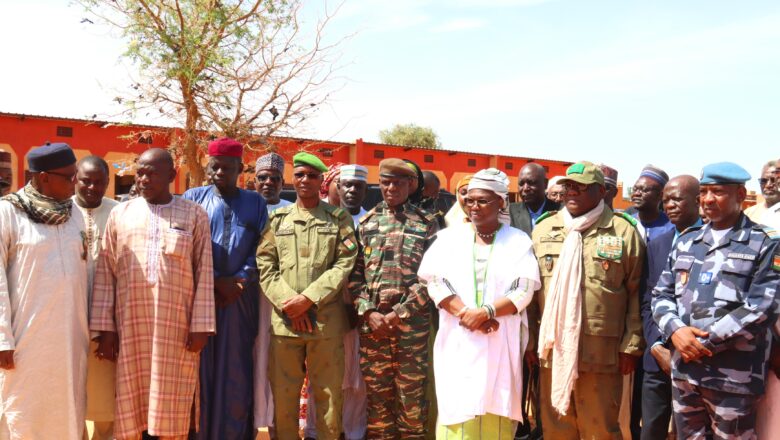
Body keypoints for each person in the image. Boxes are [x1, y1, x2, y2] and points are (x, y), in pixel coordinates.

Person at [91, 148, 215, 440]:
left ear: (171, 176)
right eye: (140, 172)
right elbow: (106, 271)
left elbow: (204, 271)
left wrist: (201, 327)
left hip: (176, 330)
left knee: (173, 401)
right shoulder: (121, 214)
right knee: (132, 405)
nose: (143, 179)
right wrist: (105, 330)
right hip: (131, 328)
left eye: (151, 173)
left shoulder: (193, 214)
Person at [651, 162, 779, 439]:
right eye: (705, 191)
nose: (708, 199)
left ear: (740, 194)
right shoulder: (688, 241)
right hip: (685, 372)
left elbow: (763, 306)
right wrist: (676, 331)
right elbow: (661, 294)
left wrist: (701, 343)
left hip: (733, 378)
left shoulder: (766, 243)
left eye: (718, 192)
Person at [418, 168, 541, 439]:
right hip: (458, 338)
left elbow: (524, 289)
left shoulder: (518, 241)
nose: (474, 206)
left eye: (482, 200)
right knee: (457, 408)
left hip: (500, 337)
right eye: (470, 199)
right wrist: (466, 314)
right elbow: (435, 283)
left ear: (501, 202)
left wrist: (487, 312)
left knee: (495, 406)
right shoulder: (448, 239)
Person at [530, 161, 644, 440]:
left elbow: (636, 292)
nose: (572, 192)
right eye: (568, 186)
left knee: (601, 429)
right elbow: (533, 294)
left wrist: (631, 345)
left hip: (602, 351)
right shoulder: (545, 229)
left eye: (581, 188)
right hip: (553, 349)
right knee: (557, 426)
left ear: (601, 191)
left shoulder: (623, 230)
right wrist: (531, 341)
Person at [256, 152, 358, 440]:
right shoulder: (278, 219)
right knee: (284, 397)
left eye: (312, 176)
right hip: (286, 323)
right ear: (292, 178)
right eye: (299, 174)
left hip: (325, 323)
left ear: (321, 180)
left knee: (328, 398)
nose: (305, 180)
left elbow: (344, 264)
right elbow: (265, 264)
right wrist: (291, 305)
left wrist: (308, 300)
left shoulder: (339, 219)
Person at [0, 143, 89, 439]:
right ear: (41, 177)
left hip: (70, 338)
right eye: (69, 177)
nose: (75, 183)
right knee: (24, 413)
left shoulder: (74, 213)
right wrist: (2, 338)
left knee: (68, 409)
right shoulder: (8, 213)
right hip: (25, 339)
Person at [184, 139, 268, 440]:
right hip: (203, 295)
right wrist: (216, 280)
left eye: (227, 168)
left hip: (240, 300)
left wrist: (240, 280)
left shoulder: (255, 202)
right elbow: (187, 246)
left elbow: (263, 248)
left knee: (236, 370)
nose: (220, 172)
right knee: (201, 369)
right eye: (215, 166)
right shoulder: (193, 197)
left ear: (239, 170)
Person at [349, 158, 439, 439]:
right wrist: (369, 312)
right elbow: (354, 275)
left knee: (411, 401)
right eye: (386, 182)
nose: (391, 188)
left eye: (398, 183)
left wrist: (399, 313)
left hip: (411, 329)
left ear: (411, 185)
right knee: (377, 401)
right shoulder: (366, 223)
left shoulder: (427, 223)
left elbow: (433, 278)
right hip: (373, 328)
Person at [303, 164, 370, 440]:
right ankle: (316, 432)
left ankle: (353, 432)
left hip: (361, 311)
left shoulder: (371, 221)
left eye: (359, 185)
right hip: (325, 308)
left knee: (357, 377)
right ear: (335, 188)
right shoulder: (320, 219)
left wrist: (359, 305)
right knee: (323, 371)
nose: (352, 190)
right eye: (346, 184)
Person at [638, 175, 701, 440]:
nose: (670, 206)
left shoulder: (714, 243)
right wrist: (656, 345)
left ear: (697, 202)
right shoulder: (658, 244)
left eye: (677, 199)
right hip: (658, 360)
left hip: (696, 357)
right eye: (665, 201)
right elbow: (647, 300)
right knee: (651, 430)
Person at [74, 155, 120, 440]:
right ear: (74, 180)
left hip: (107, 321)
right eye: (86, 181)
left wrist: (111, 326)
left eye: (99, 182)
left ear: (107, 183)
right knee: (70, 393)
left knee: (106, 396)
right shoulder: (60, 211)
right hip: (68, 319)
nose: (92, 187)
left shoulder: (119, 213)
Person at [253, 151, 290, 435]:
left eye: (274, 179)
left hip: (282, 300)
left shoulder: (292, 210)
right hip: (250, 298)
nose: (268, 183)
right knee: (252, 360)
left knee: (279, 364)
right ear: (253, 180)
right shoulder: (246, 206)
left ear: (283, 182)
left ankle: (279, 426)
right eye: (262, 178)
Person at [509, 163, 560, 235]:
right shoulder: (509, 212)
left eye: (531, 183)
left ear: (545, 184)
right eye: (521, 183)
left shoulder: (561, 211)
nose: (525, 188)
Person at [630, 165, 674, 243]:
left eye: (644, 190)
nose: (636, 194)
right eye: (635, 189)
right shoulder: (626, 223)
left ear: (660, 195)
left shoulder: (672, 227)